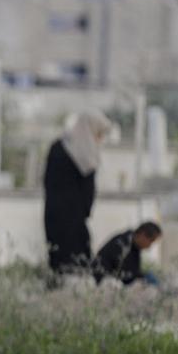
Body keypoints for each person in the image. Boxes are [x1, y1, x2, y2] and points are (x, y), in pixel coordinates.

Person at [43, 110, 113, 277]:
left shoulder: (57, 147)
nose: (99, 139)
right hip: (74, 219)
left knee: (59, 259)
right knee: (77, 261)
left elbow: (46, 181)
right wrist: (85, 211)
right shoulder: (87, 154)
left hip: (53, 214)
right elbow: (88, 191)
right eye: (99, 134)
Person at [93, 222, 163, 286]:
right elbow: (125, 273)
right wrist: (142, 277)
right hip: (103, 283)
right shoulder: (122, 244)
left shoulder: (135, 247)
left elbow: (132, 271)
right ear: (143, 235)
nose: (150, 245)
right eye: (151, 241)